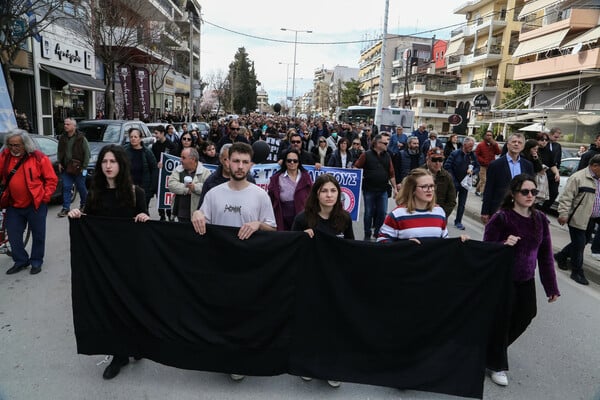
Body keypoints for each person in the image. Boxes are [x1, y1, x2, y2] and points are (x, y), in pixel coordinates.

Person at [67, 145, 149, 380]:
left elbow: (144, 229)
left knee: (131, 306)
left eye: (113, 161)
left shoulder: (136, 193)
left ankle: (135, 344)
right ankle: (119, 354)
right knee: (111, 307)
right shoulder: (95, 191)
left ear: (121, 165)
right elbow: (90, 220)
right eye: (104, 161)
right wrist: (77, 215)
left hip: (130, 262)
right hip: (104, 263)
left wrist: (144, 217)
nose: (108, 165)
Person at [483, 174, 560, 387]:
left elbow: (545, 255)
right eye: (525, 191)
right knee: (502, 320)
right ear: (514, 193)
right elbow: (486, 248)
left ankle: (491, 351)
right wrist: (503, 243)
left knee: (527, 314)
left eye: (533, 192)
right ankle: (496, 363)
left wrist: (551, 287)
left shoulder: (540, 219)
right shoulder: (502, 217)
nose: (530, 195)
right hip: (503, 279)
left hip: (526, 278)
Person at [1, 129, 58, 275]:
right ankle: (21, 261)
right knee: (13, 236)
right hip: (14, 205)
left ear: (25, 144)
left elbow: (52, 180)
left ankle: (36, 261)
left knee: (38, 235)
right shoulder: (5, 156)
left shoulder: (38, 158)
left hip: (36, 204)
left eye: (17, 145)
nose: (13, 148)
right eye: (10, 145)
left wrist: (45, 197)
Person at [377, 168, 468, 243]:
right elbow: (382, 241)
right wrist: (403, 245)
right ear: (412, 190)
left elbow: (444, 241)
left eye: (432, 186)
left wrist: (459, 242)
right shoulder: (397, 214)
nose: (429, 190)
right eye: (424, 186)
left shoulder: (439, 212)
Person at [554, 154, 600, 286]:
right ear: (595, 166)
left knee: (582, 242)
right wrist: (563, 214)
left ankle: (561, 256)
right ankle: (577, 272)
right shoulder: (578, 177)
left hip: (592, 218)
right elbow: (566, 198)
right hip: (577, 217)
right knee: (579, 244)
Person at [480, 133, 533, 224]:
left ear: (523, 147)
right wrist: (485, 211)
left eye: (519, 142)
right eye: (514, 142)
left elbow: (531, 189)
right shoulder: (495, 165)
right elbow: (489, 189)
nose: (516, 144)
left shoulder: (528, 165)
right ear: (508, 145)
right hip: (499, 207)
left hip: (521, 209)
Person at [353, 134, 397, 241]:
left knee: (382, 212)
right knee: (369, 212)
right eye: (385, 143)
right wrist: (360, 177)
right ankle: (367, 234)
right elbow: (356, 167)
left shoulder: (387, 156)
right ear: (377, 143)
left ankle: (378, 233)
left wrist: (395, 188)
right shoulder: (366, 155)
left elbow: (391, 174)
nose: (387, 145)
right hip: (369, 190)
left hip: (383, 190)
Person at [197, 144, 256, 208]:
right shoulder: (211, 181)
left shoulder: (249, 180)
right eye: (225, 159)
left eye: (233, 160)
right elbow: (202, 208)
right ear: (220, 159)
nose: (228, 163)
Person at [267, 148, 312, 231]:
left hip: (302, 218)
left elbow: (312, 197)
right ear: (285, 161)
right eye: (289, 160)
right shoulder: (276, 178)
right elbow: (270, 199)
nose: (292, 163)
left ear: (299, 162)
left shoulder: (306, 177)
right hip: (282, 218)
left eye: (295, 161)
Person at [444, 137, 479, 230]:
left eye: (472, 146)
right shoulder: (455, 153)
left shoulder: (472, 155)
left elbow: (477, 167)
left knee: (462, 204)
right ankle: (444, 219)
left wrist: (473, 172)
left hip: (465, 184)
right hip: (454, 182)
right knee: (451, 202)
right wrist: (453, 180)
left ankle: (458, 221)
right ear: (464, 145)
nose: (471, 148)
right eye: (470, 146)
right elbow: (447, 166)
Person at [57, 118, 90, 217]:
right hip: (66, 168)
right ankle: (66, 208)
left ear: (74, 126)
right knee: (66, 187)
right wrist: (59, 162)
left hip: (80, 169)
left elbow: (87, 153)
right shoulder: (63, 138)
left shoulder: (81, 138)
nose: (65, 126)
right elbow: (59, 151)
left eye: (68, 124)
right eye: (65, 124)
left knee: (81, 187)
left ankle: (84, 204)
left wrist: (84, 167)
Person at [168, 147, 211, 223]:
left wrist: (194, 187)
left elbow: (208, 188)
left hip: (197, 215)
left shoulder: (205, 172)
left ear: (193, 159)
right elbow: (171, 184)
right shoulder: (178, 169)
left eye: (183, 158)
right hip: (179, 214)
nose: (180, 160)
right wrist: (187, 190)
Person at [123, 128, 158, 209]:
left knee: (143, 211)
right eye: (131, 137)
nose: (133, 139)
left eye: (135, 137)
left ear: (140, 138)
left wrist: (152, 188)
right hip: (128, 187)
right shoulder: (125, 150)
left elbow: (154, 169)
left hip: (144, 188)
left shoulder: (147, 152)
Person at [151, 125, 176, 222]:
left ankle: (170, 214)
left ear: (162, 133)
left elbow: (174, 159)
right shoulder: (155, 145)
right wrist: (157, 164)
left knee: (168, 194)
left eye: (157, 133)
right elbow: (153, 159)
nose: (155, 135)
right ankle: (161, 215)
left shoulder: (171, 145)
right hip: (159, 175)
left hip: (168, 175)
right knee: (159, 194)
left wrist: (165, 163)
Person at [422, 148, 456, 218]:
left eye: (440, 160)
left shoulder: (447, 177)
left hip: (438, 218)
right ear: (427, 159)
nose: (437, 163)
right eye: (434, 160)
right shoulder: (418, 174)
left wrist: (441, 215)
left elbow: (451, 201)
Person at [540, 127, 562, 213]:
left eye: (558, 137)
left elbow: (558, 159)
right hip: (543, 171)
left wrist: (557, 171)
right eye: (555, 137)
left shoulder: (558, 146)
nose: (557, 139)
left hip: (554, 171)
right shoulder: (544, 143)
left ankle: (543, 211)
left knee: (554, 192)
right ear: (550, 135)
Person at [474, 130, 501, 197]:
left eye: (490, 135)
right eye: (488, 135)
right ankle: (484, 194)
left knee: (484, 180)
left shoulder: (494, 144)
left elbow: (498, 153)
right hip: (483, 165)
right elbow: (476, 155)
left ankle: (477, 190)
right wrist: (482, 161)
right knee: (484, 180)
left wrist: (495, 145)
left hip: (491, 165)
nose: (489, 137)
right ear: (485, 136)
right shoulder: (481, 145)